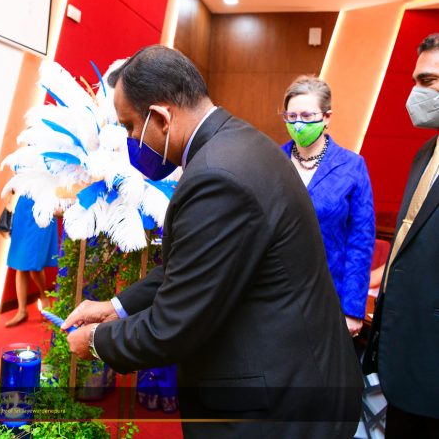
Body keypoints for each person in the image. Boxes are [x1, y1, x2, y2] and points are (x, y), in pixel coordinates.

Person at [62, 45, 362, 438]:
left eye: (131, 126)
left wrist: (96, 341)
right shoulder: (238, 142)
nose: (131, 139)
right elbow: (195, 265)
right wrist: (115, 307)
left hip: (274, 406)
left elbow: (172, 326)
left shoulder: (216, 175)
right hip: (301, 375)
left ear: (162, 117)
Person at [363, 34, 439, 437]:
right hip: (403, 353)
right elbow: (409, 239)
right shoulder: (425, 154)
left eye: (427, 81)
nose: (415, 94)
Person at [281, 76, 375, 338]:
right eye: (291, 116)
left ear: (326, 117)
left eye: (307, 116)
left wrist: (352, 309)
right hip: (275, 293)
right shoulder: (272, 160)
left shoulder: (352, 166)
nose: (298, 124)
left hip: (328, 295)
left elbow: (361, 241)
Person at [5, 194, 58, 327]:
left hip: (43, 206)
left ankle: (44, 298)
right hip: (23, 206)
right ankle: (22, 310)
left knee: (34, 262)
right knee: (20, 262)